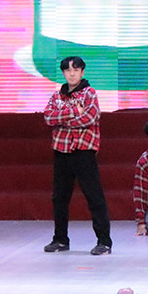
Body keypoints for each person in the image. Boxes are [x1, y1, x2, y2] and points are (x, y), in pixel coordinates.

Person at [42, 55, 112, 256]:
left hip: (83, 151)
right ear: (63, 73)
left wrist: (63, 119)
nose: (71, 74)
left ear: (82, 72)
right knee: (60, 197)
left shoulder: (89, 93)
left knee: (94, 196)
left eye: (75, 70)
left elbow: (89, 118)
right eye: (67, 70)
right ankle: (60, 239)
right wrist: (74, 111)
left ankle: (104, 242)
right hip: (61, 151)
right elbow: (48, 117)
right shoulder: (56, 96)